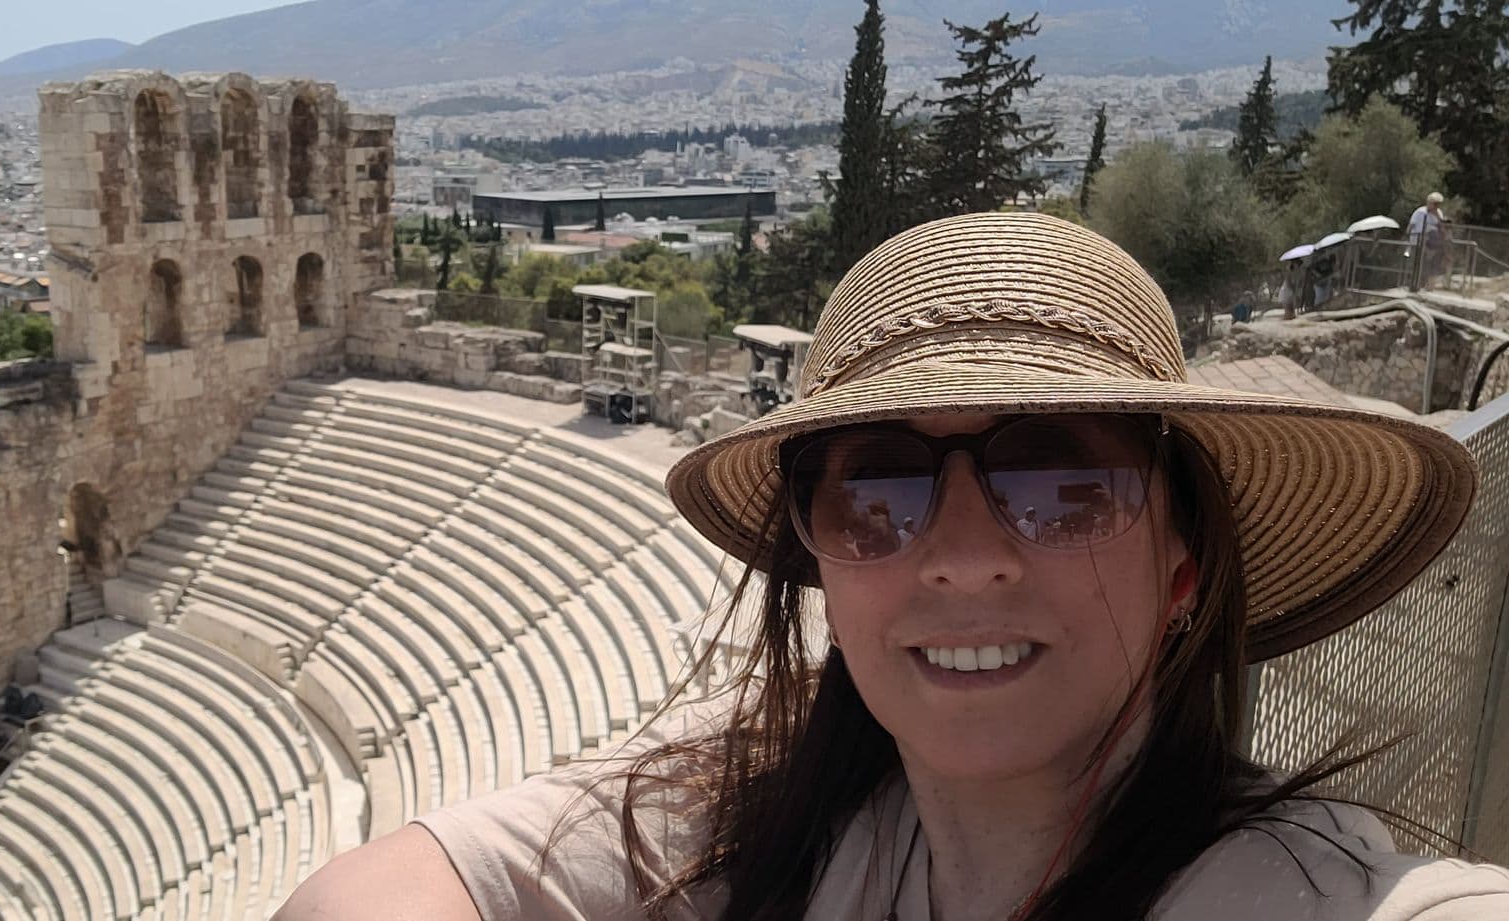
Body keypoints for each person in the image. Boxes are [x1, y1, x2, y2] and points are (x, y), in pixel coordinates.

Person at [274, 212, 1508, 921]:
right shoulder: (768, 809)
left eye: (1056, 486)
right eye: (876, 491)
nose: (960, 559)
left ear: (1183, 563)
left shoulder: (1317, 897)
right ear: (821, 559)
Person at [1408, 192, 1449, 291]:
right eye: (1434, 204)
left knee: (1431, 265)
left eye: (1438, 204)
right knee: (1417, 264)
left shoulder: (1439, 214)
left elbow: (1442, 229)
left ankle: (1428, 286)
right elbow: (1411, 227)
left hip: (1432, 244)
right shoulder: (1420, 212)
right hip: (1418, 242)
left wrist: (1438, 218)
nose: (1436, 206)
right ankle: (1414, 285)